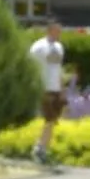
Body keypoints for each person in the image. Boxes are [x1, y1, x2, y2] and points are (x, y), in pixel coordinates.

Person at [29, 20, 68, 167]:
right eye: (57, 30)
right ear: (50, 30)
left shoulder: (59, 47)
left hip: (56, 88)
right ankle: (39, 148)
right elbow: (30, 67)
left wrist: (62, 89)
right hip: (44, 88)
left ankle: (42, 148)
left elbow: (58, 69)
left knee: (52, 120)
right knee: (49, 118)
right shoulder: (38, 47)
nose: (59, 34)